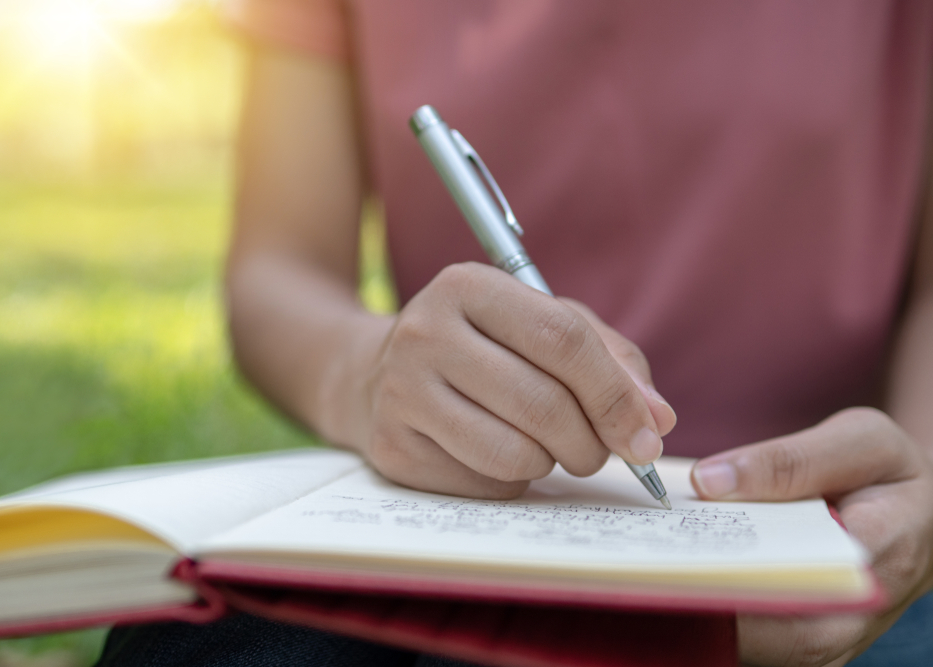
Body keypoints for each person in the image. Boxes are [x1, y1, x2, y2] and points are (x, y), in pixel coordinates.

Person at [97, 2, 933, 665]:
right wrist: (364, 372)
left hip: (837, 519)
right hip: (457, 511)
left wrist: (921, 484)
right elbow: (276, 270)